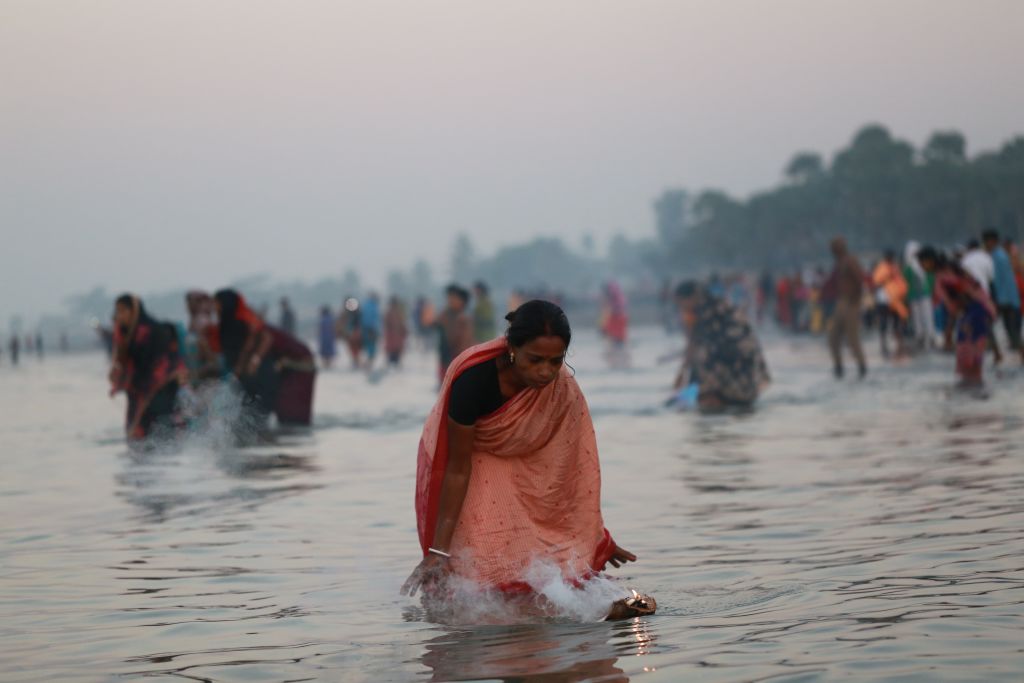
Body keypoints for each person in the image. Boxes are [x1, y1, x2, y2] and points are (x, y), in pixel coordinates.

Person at [401, 300, 651, 620]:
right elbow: (457, 467)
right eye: (535, 360)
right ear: (512, 350)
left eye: (555, 361)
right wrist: (437, 552)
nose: (545, 371)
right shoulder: (473, 381)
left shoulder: (561, 388)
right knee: (482, 571)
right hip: (477, 467)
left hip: (531, 477)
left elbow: (569, 467)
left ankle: (589, 612)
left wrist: (594, 533)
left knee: (543, 568)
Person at [214, 289, 316, 427]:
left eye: (217, 303)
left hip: (297, 365)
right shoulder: (230, 322)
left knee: (291, 418)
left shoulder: (247, 321)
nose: (215, 307)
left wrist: (253, 361)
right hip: (279, 368)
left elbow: (265, 339)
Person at [673, 281, 771, 411]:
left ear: (690, 298)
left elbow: (694, 345)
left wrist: (682, 375)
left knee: (704, 386)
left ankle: (715, 397)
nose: (680, 307)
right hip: (745, 367)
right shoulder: (719, 303)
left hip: (731, 361)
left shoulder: (703, 313)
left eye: (680, 303)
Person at [108, 294, 186, 442]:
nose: (119, 315)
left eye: (123, 311)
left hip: (161, 387)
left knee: (159, 433)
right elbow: (123, 361)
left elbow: (161, 363)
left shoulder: (151, 331)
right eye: (117, 311)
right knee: (136, 435)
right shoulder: (126, 334)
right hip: (138, 389)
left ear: (134, 311)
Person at [827, 237, 868, 379]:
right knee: (833, 337)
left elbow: (859, 280)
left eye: (834, 248)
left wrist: (856, 301)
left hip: (851, 303)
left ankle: (862, 367)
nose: (832, 251)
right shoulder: (839, 263)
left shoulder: (850, 261)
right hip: (842, 302)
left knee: (852, 338)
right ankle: (838, 367)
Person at [983, 229, 1023, 361]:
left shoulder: (996, 257)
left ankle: (997, 354)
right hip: (1010, 298)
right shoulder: (1001, 255)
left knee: (989, 324)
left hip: (1003, 298)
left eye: (988, 242)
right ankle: (1005, 354)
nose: (986, 245)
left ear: (993, 241)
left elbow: (995, 280)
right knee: (1011, 330)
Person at [872, 249, 909, 358]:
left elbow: (900, 280)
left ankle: (899, 345)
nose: (891, 259)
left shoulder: (895, 267)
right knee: (884, 324)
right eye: (890, 257)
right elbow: (877, 281)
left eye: (892, 257)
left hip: (895, 299)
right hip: (883, 299)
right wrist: (888, 278)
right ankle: (884, 346)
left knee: (897, 322)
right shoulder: (882, 267)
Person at [436, 284, 474, 383]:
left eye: (453, 298)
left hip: (457, 358)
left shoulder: (463, 318)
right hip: (446, 355)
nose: (450, 300)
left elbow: (464, 342)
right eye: (449, 297)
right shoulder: (446, 313)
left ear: (461, 301)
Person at [904, 241, 936, 351]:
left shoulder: (919, 265)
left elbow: (931, 278)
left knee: (925, 317)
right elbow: (905, 281)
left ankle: (928, 338)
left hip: (922, 295)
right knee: (921, 318)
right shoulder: (909, 267)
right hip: (916, 296)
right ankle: (923, 338)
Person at [336, 297, 363, 369]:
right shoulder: (357, 311)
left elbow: (342, 323)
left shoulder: (347, 312)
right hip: (356, 332)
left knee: (353, 348)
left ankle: (356, 361)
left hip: (351, 332)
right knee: (356, 348)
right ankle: (356, 361)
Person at [383, 296, 409, 367]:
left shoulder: (396, 313)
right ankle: (393, 363)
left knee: (396, 351)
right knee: (393, 351)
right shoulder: (391, 313)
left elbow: (402, 324)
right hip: (392, 336)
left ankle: (395, 363)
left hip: (396, 336)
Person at [361, 292, 382, 369]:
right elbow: (377, 319)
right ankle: (368, 364)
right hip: (372, 329)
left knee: (368, 347)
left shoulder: (365, 304)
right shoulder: (374, 306)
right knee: (372, 348)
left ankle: (367, 364)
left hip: (365, 329)